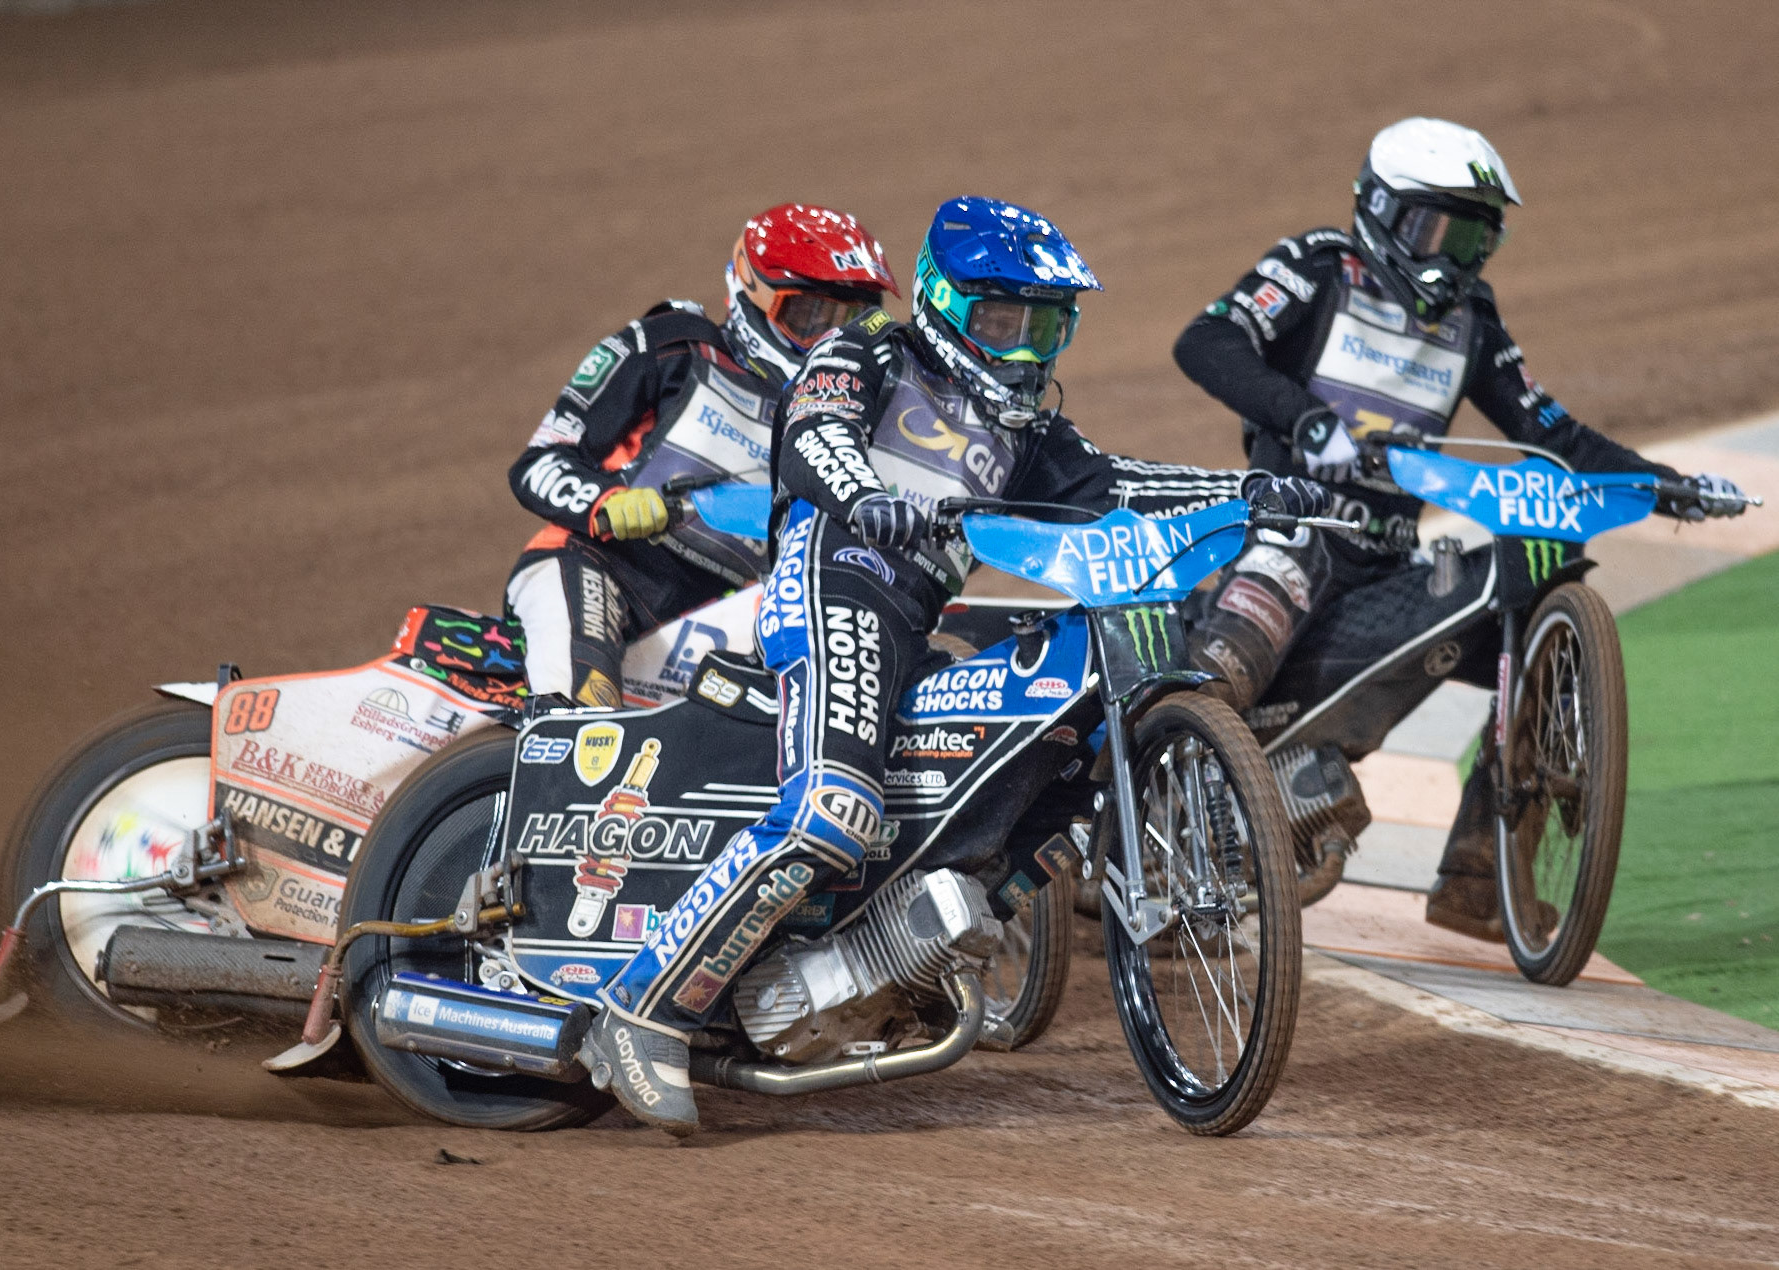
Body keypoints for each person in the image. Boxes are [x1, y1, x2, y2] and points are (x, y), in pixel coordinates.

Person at [577, 195, 1330, 1135]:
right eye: (1004, 322)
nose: (1024, 350)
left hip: (915, 622)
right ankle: (641, 1010)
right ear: (941, 301)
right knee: (833, 807)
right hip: (835, 587)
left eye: (1046, 326)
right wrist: (866, 497)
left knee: (1051, 774)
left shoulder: (1028, 434)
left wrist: (1251, 491)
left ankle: (889, 959)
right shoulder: (866, 354)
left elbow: (1125, 481)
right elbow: (814, 441)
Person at [1170, 117, 1748, 939]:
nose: (1448, 260)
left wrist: (1670, 488)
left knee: (1549, 638)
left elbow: (1552, 432)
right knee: (1220, 672)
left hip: (1388, 566)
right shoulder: (1316, 265)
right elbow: (1208, 341)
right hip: (1287, 535)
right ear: (1378, 208)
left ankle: (1480, 876)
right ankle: (1125, 817)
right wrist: (1304, 423)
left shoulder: (1473, 315)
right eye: (1433, 229)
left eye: (1472, 239)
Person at [504, 204, 899, 707]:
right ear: (753, 296)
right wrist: (609, 502)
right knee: (585, 718)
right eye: (812, 316)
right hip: (600, 567)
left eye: (851, 322)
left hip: (734, 608)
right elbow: (539, 461)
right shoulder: (668, 347)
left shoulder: (861, 409)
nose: (829, 339)